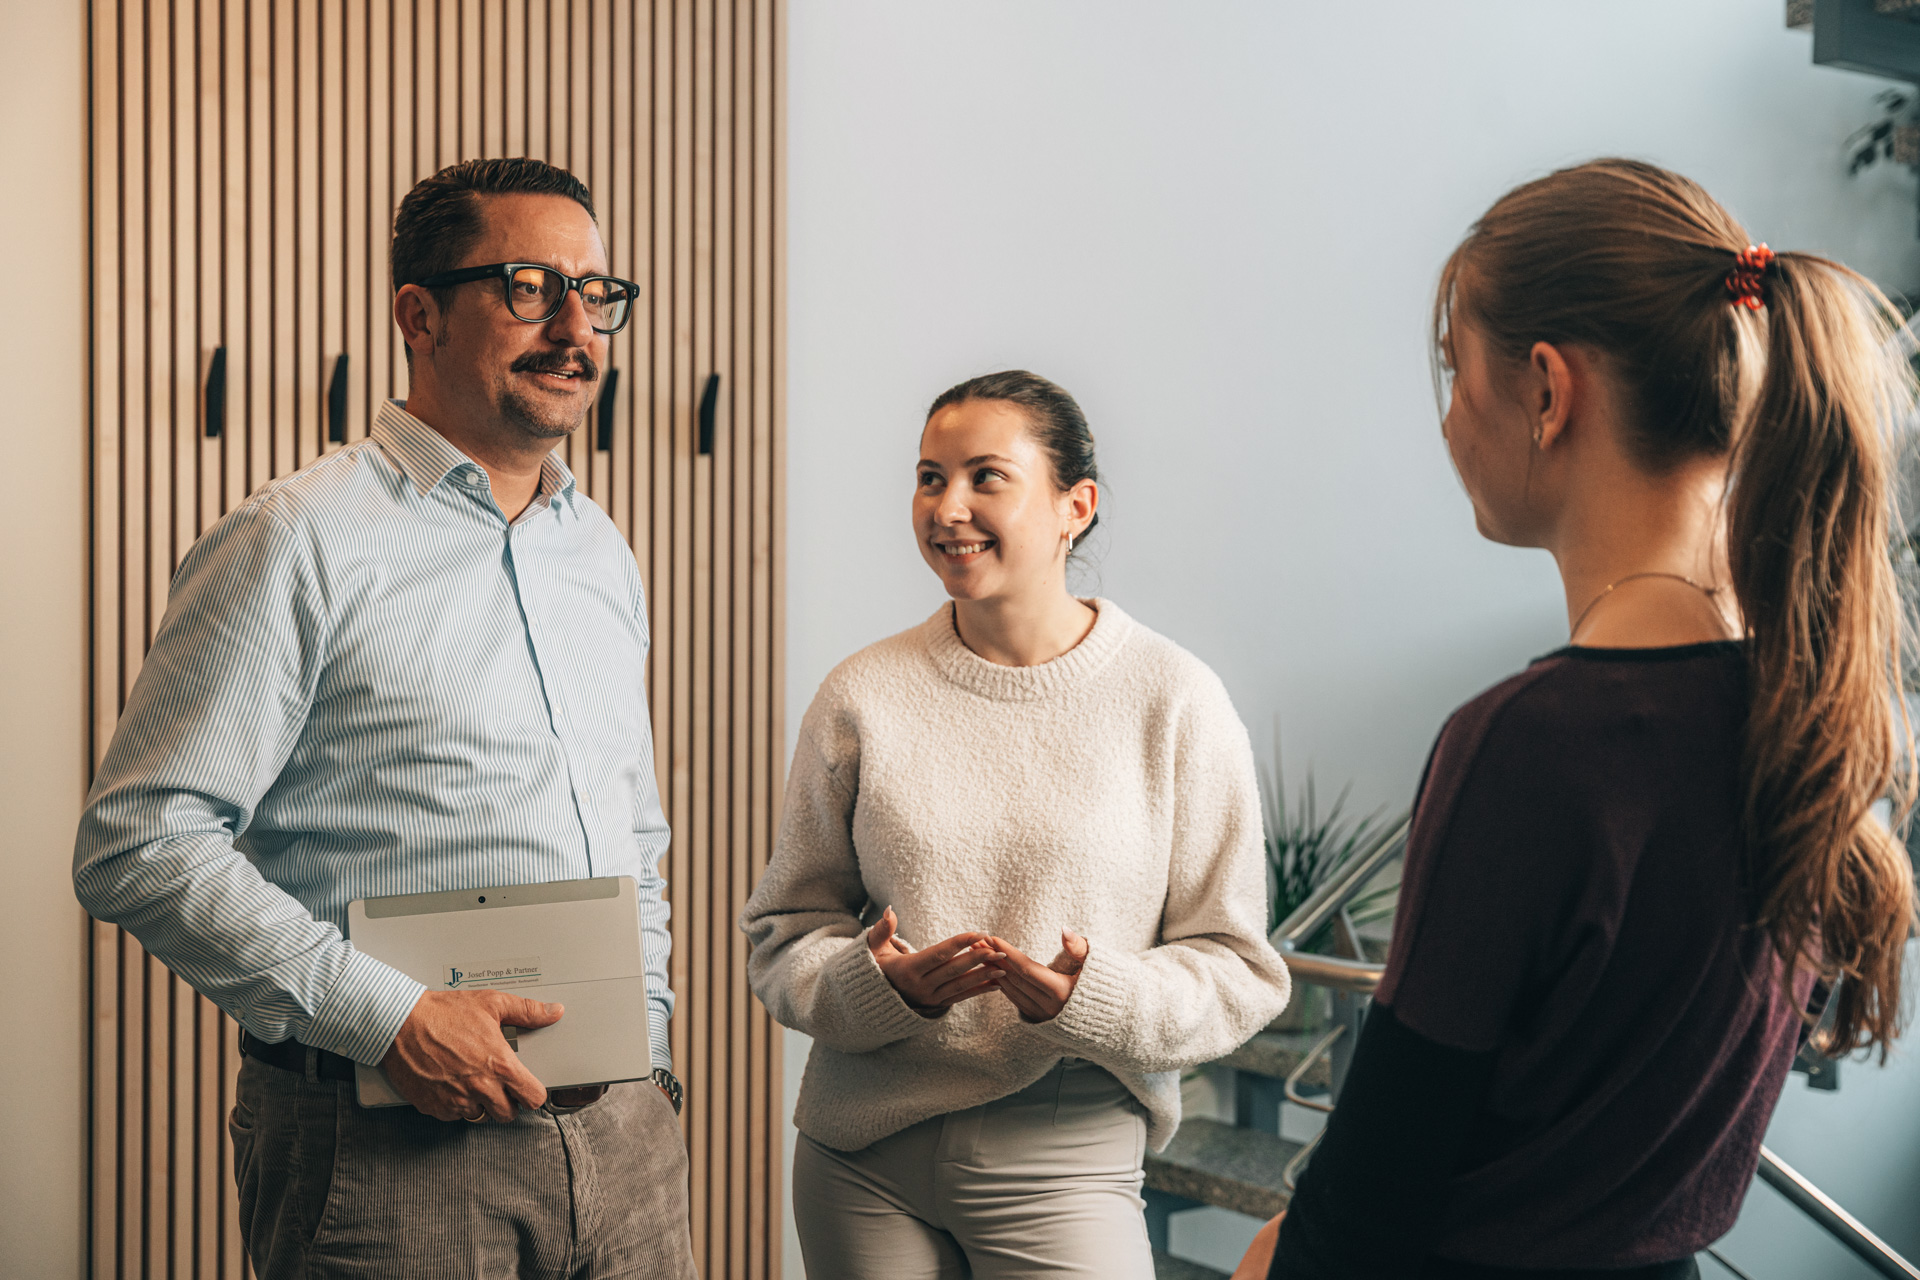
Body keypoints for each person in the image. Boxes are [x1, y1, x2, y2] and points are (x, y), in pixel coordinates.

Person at [1231, 159, 1918, 1280]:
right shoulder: (1811, 710)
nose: (1450, 419)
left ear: (1549, 389)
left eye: (1457, 371)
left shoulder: (1530, 744)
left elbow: (1366, 1206)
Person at [74, 157, 697, 1279]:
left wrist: (645, 1048)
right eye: (527, 288)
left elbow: (633, 827)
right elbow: (141, 841)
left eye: (596, 294)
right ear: (418, 313)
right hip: (390, 1151)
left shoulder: (601, 551)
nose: (576, 328)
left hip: (627, 1142)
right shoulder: (295, 537)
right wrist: (389, 1017)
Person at [740, 370, 1292, 1279]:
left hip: (1065, 1153)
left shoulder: (1176, 701)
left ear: (1076, 505)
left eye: (985, 476)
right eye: (929, 477)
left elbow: (1238, 970)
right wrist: (879, 987)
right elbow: (784, 933)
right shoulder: (861, 695)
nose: (947, 507)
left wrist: (1092, 999)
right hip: (856, 1159)